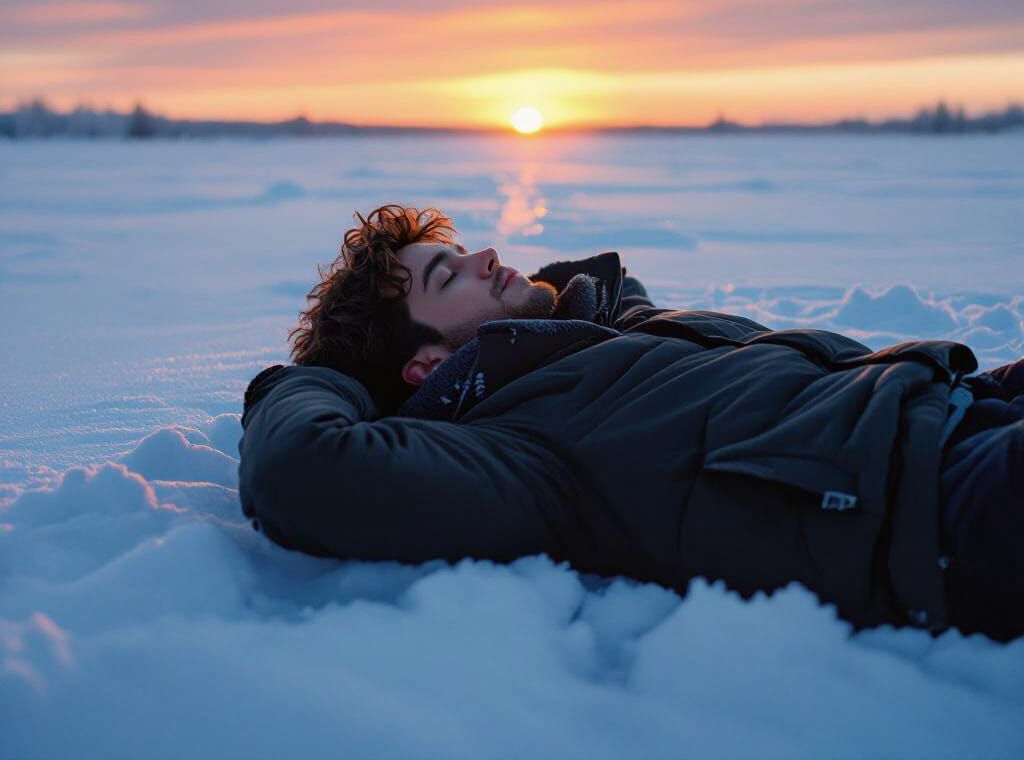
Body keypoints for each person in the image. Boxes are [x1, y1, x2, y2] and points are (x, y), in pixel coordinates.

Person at [237, 205, 1024, 641]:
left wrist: (550, 303)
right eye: (447, 276)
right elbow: (302, 468)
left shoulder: (609, 329)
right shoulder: (517, 447)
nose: (483, 255)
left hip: (960, 401)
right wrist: (320, 377)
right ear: (424, 367)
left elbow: (611, 289)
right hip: (934, 502)